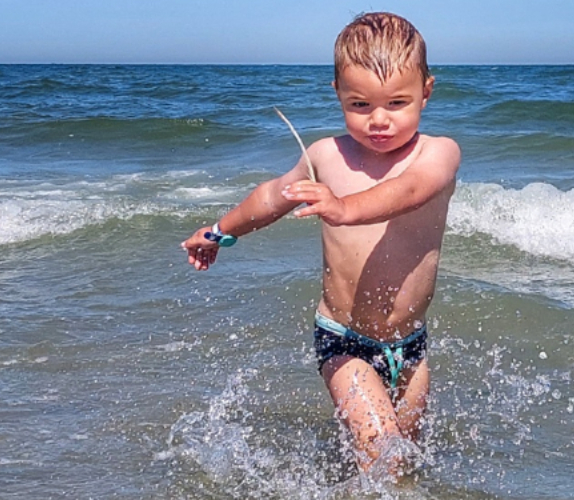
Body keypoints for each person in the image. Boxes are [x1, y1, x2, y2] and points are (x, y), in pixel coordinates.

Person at [180, 12, 460, 477]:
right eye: (360, 104)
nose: (380, 120)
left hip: (410, 346)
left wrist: (346, 207)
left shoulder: (439, 152)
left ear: (426, 91)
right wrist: (218, 232)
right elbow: (273, 197)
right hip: (343, 339)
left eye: (397, 102)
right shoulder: (325, 156)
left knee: (404, 464)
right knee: (383, 452)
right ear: (337, 93)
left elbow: (411, 189)